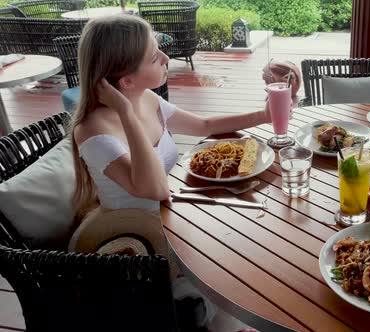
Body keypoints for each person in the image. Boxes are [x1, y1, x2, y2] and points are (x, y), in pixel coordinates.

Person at [68, 15, 272, 331]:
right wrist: (126, 113)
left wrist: (264, 114)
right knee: (232, 266)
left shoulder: (146, 98)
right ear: (125, 82)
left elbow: (203, 126)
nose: (166, 58)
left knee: (255, 233)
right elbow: (155, 187)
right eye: (154, 57)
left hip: (174, 216)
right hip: (141, 239)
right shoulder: (93, 131)